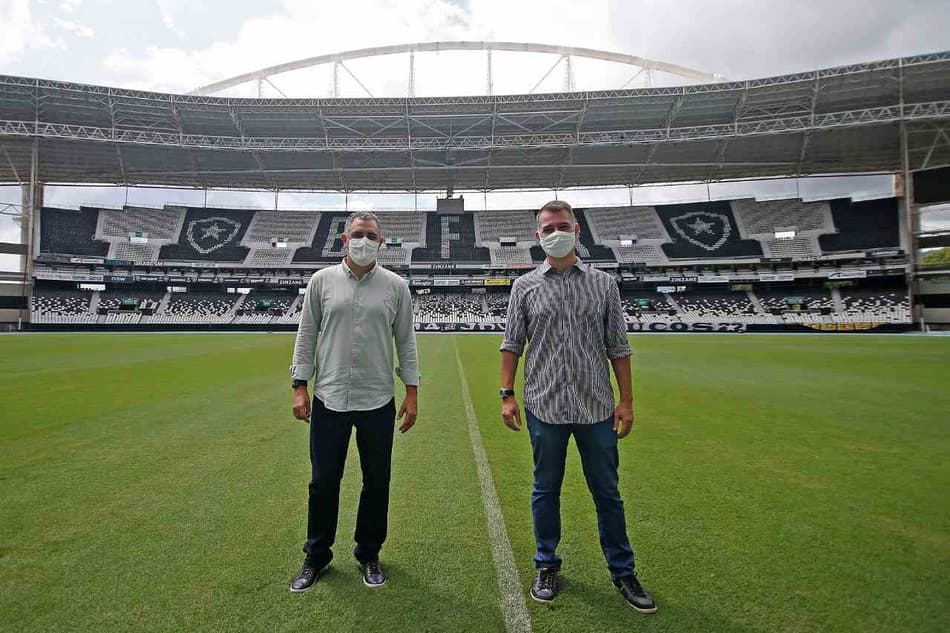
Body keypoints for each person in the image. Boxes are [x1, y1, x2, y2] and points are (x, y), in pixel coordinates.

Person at [499, 200, 657, 613]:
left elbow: (618, 347)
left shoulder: (604, 285)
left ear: (577, 230)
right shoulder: (524, 287)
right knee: (545, 490)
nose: (556, 233)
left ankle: (623, 570)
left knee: (607, 492)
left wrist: (626, 401)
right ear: (538, 236)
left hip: (596, 407)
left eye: (563, 226)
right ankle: (546, 564)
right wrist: (506, 394)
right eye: (548, 228)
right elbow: (512, 344)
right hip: (544, 405)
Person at [288, 211, 419, 592]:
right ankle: (316, 555)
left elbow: (406, 341)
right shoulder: (321, 281)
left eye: (371, 235)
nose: (364, 241)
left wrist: (412, 391)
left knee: (377, 481)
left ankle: (369, 553)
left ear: (382, 242)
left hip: (377, 398)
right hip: (329, 396)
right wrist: (300, 385)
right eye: (358, 234)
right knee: (323, 482)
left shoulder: (395, 286)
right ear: (345, 240)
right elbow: (306, 334)